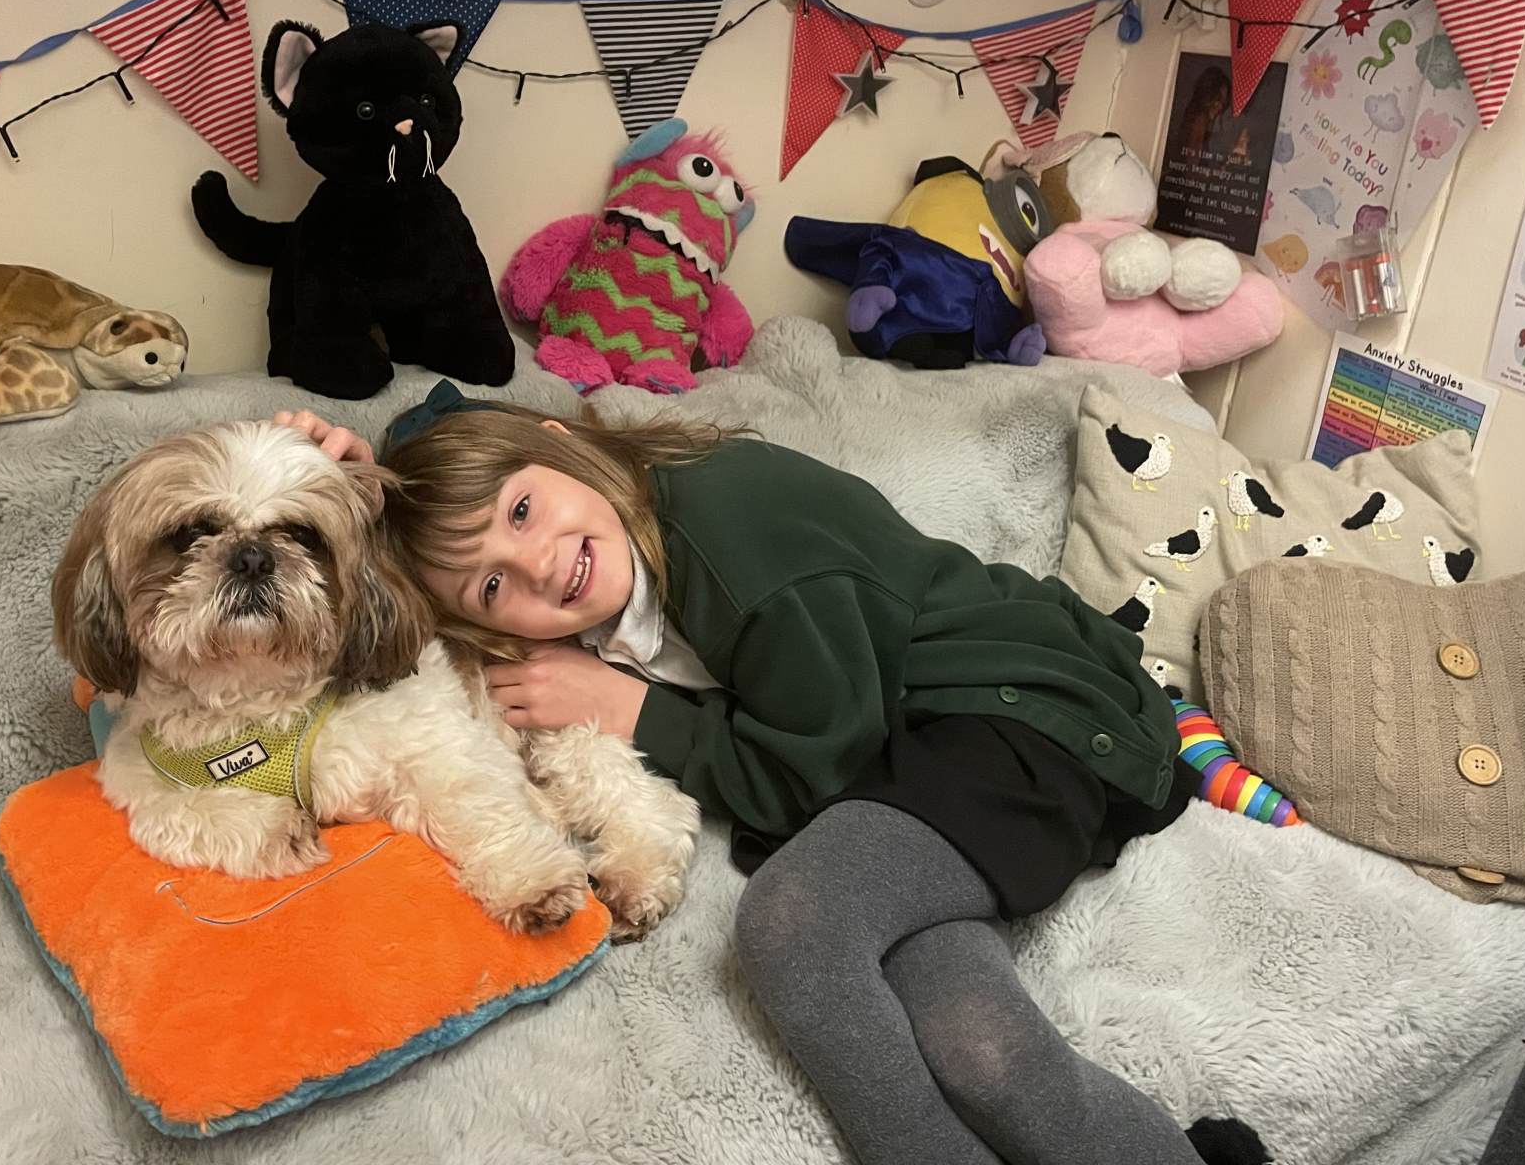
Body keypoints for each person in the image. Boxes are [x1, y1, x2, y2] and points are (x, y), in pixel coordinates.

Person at [272, 386, 1267, 1165]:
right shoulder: (604, 554)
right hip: (916, 763)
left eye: (523, 510)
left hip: (1020, 712)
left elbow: (810, 775)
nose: (539, 567)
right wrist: (356, 489)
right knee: (981, 1048)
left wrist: (634, 712)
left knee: (797, 920)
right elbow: (444, 500)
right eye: (494, 585)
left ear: (556, 439)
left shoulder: (736, 533)